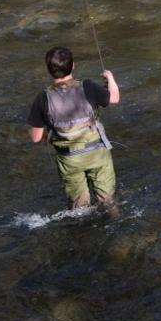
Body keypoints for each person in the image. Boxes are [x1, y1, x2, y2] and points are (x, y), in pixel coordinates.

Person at [27, 45, 121, 215]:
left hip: (69, 160)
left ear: (48, 70)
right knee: (107, 201)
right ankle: (116, 226)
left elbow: (35, 137)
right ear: (73, 65)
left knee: (79, 209)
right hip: (97, 154)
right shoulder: (88, 87)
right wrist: (110, 78)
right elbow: (114, 98)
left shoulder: (42, 98)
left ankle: (81, 234)